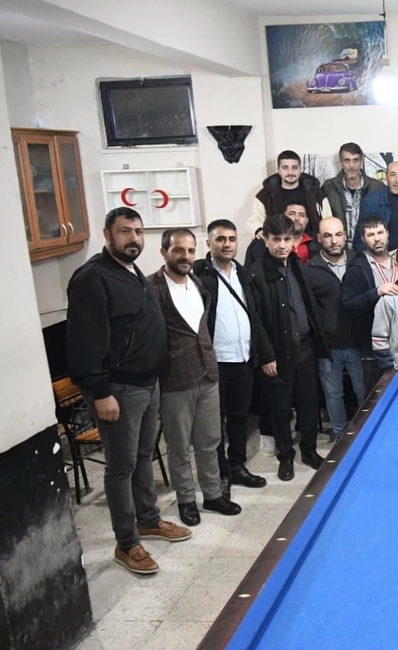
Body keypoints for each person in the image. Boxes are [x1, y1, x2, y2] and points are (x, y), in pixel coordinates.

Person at [66, 207, 190, 576]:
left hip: (147, 383)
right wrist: (100, 391)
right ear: (107, 234)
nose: (133, 238)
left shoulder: (132, 271)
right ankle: (126, 543)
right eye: (124, 231)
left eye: (137, 231)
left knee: (142, 456)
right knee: (120, 467)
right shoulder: (92, 278)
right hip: (117, 389)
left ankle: (148, 520)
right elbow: (84, 343)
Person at [150, 229, 242, 526]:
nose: (186, 256)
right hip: (175, 379)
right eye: (178, 250)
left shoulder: (198, 283)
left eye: (190, 250)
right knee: (179, 446)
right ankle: (186, 499)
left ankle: (213, 494)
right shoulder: (151, 289)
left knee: (210, 441)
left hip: (208, 373)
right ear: (164, 252)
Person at [248, 214, 328, 482]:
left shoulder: (297, 265)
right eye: (276, 239)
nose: (282, 245)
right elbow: (255, 320)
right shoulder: (256, 273)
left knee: (309, 402)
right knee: (280, 408)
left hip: (305, 345)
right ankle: (285, 457)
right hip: (278, 352)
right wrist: (266, 355)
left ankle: (309, 450)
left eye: (287, 239)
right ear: (265, 240)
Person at [192, 219, 268, 493]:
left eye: (232, 239)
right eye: (220, 239)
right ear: (209, 243)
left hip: (243, 359)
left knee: (239, 417)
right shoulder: (199, 275)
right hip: (215, 363)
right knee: (215, 424)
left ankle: (237, 465)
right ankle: (220, 473)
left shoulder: (243, 274)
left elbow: (254, 315)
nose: (227, 244)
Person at [304, 217, 362, 441]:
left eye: (338, 234)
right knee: (333, 394)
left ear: (345, 235)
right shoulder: (310, 270)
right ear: (319, 238)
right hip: (328, 346)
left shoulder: (359, 261)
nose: (334, 240)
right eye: (328, 236)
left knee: (364, 393)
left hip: (358, 343)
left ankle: (366, 432)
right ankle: (340, 436)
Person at [341, 217, 398, 393]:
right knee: (377, 399)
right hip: (374, 350)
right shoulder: (357, 268)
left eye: (380, 232)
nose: (377, 239)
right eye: (370, 235)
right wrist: (376, 292)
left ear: (387, 234)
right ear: (363, 239)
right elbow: (348, 306)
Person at [247, 150, 330, 238]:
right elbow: (254, 222)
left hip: (312, 244)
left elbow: (328, 220)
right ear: (278, 170)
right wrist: (259, 230)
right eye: (285, 167)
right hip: (278, 244)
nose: (290, 172)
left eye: (294, 167)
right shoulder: (265, 195)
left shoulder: (316, 193)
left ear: (300, 169)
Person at [321, 142, 385, 248]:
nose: (351, 166)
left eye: (355, 160)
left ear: (361, 161)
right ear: (341, 162)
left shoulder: (377, 187)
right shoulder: (329, 187)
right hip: (338, 248)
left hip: (369, 247)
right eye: (347, 160)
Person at [359, 161, 398, 250]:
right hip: (383, 255)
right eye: (392, 175)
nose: (397, 180)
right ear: (386, 177)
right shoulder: (371, 201)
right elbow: (360, 236)